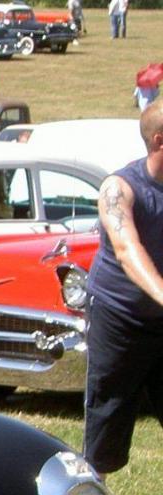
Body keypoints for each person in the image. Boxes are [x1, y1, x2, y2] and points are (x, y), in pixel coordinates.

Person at [83, 100, 163, 476]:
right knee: (108, 408)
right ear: (159, 140)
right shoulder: (119, 188)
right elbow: (128, 252)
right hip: (119, 315)